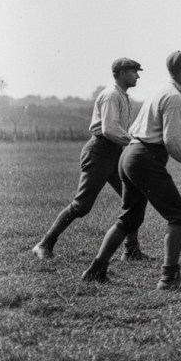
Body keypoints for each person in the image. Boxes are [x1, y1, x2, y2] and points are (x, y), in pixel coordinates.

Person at [80, 51, 181, 291]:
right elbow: (172, 143)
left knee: (129, 219)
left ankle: (96, 270)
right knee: (179, 216)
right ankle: (169, 278)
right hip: (144, 159)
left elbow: (154, 132)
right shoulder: (173, 97)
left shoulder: (162, 91)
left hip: (130, 155)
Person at [32, 58, 153, 261]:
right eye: (134, 72)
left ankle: (131, 250)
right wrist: (134, 142)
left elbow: (119, 129)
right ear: (122, 73)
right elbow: (109, 129)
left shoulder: (123, 96)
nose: (138, 76)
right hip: (99, 152)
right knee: (82, 205)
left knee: (134, 198)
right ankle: (44, 244)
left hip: (115, 152)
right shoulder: (111, 95)